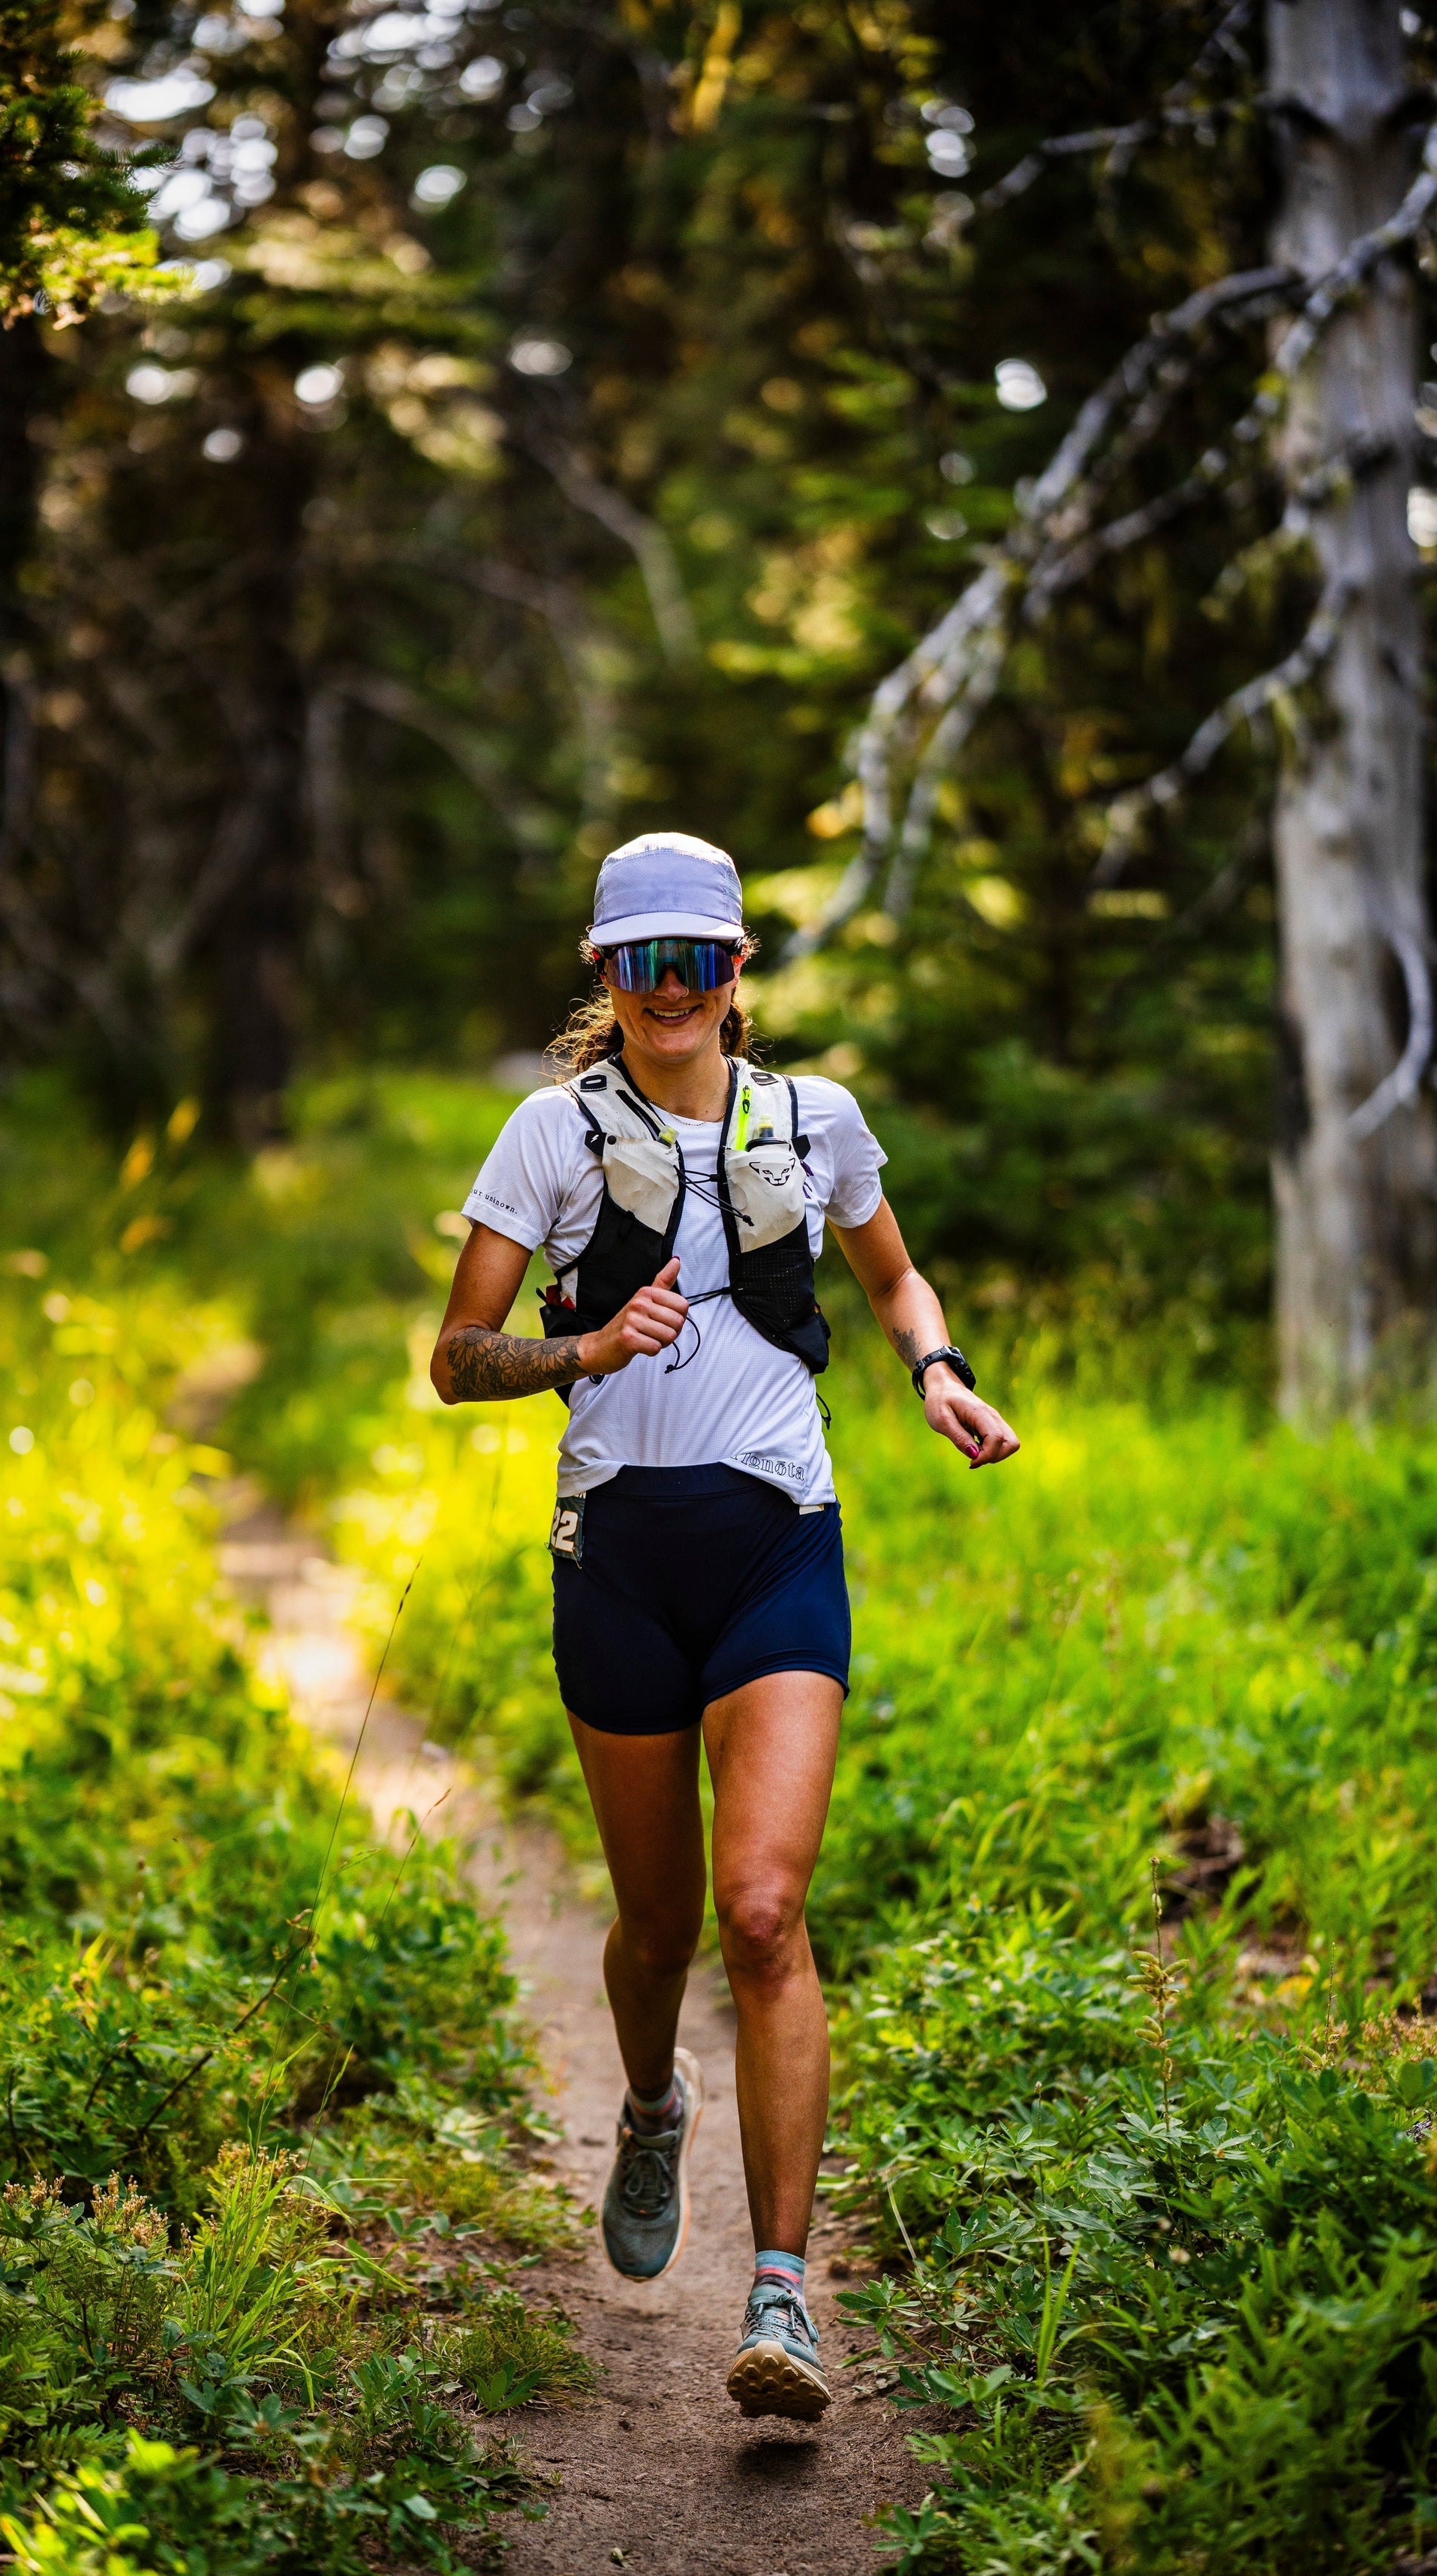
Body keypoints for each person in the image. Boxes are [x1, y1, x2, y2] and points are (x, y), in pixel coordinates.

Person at [432, 830, 1018, 2421]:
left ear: (740, 973)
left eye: (700, 963)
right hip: (615, 1554)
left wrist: (939, 1373)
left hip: (780, 1550)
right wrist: (585, 1350)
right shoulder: (551, 1137)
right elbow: (456, 1356)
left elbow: (898, 1281)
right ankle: (644, 2104)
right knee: (654, 1930)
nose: (672, 992)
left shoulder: (814, 1122)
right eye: (643, 966)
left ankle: (780, 2296)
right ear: (605, 976)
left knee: (763, 1914)